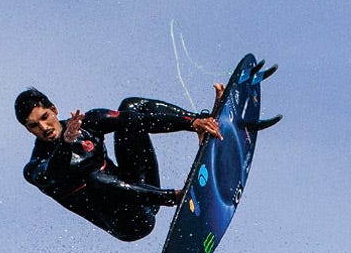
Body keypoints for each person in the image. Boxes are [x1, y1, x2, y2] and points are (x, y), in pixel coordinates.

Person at [15, 86, 224, 241]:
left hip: (142, 188)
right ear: (27, 129)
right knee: (94, 178)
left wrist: (191, 122)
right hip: (130, 222)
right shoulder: (35, 167)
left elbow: (138, 121)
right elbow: (55, 172)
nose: (44, 127)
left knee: (130, 110)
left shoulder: (87, 123)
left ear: (54, 109)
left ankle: (201, 125)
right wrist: (66, 143)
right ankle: (178, 196)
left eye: (45, 117)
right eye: (34, 125)